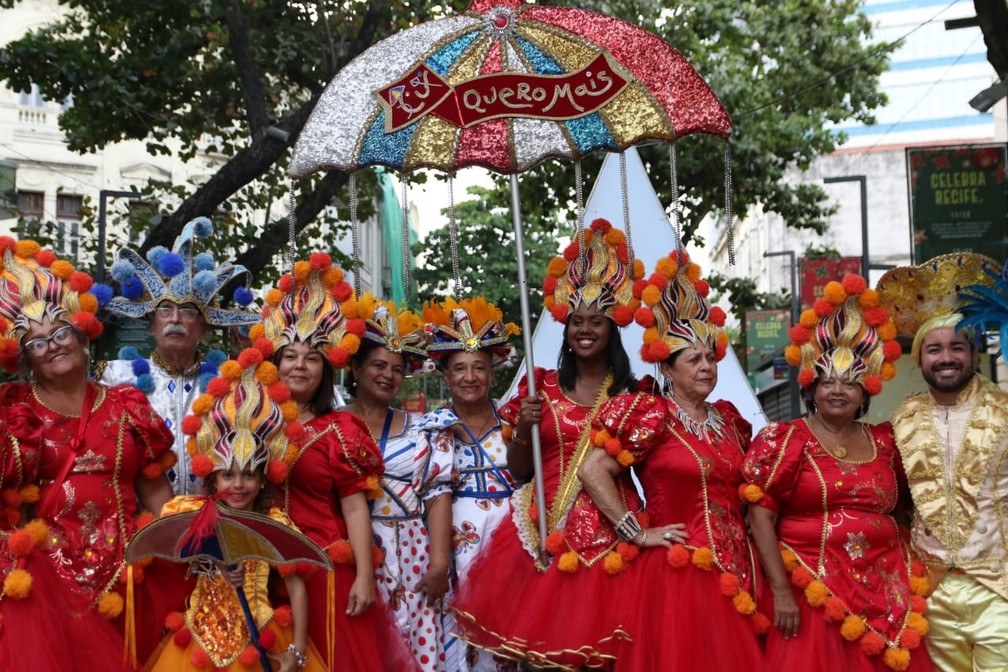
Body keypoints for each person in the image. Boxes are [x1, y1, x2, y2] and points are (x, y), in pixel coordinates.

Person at [452, 218, 645, 670]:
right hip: (540, 534)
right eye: (576, 321)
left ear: (612, 328)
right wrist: (523, 426)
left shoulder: (633, 395)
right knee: (543, 658)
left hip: (611, 536)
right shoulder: (541, 388)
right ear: (566, 328)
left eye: (596, 322)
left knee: (608, 656)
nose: (585, 329)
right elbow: (520, 470)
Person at [579, 248, 769, 671]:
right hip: (680, 575)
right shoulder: (651, 415)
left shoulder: (730, 422)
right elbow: (592, 470)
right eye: (693, 359)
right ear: (666, 369)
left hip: (740, 571)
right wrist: (636, 532)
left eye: (710, 358)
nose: (706, 367)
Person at [0, 237, 175, 670]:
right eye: (37, 343)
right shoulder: (15, 413)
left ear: (82, 335)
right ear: (26, 358)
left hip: (128, 576)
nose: (53, 345)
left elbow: (156, 491)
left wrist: (184, 548)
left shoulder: (127, 406)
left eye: (60, 333)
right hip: (46, 584)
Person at [743, 274, 932, 672]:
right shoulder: (786, 440)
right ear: (811, 389)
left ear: (865, 394)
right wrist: (781, 591)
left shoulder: (887, 441)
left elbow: (906, 507)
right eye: (827, 381)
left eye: (850, 383)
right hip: (812, 593)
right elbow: (760, 517)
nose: (837, 390)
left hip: (888, 590)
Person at [250, 252, 417, 672]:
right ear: (274, 363)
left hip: (323, 570)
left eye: (311, 358)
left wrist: (364, 575)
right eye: (290, 356)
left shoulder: (340, 430)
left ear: (326, 369)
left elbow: (355, 507)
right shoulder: (252, 423)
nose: (299, 366)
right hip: (260, 573)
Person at [145, 343, 325, 672]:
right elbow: (178, 547)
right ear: (213, 479)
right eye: (228, 475)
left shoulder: (272, 522)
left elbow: (297, 589)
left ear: (263, 480)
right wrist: (215, 562)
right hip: (198, 642)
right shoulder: (195, 515)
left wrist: (297, 652)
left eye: (249, 475)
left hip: (260, 638)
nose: (238, 484)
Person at [879, 253, 1008, 672]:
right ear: (919, 360)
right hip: (930, 592)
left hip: (999, 589)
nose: (946, 357)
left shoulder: (1005, 409)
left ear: (974, 354)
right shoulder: (902, 419)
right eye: (934, 349)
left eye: (957, 347)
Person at [98, 216, 259, 495]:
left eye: (187, 311)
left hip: (212, 513)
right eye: (165, 310)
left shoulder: (230, 383)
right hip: (142, 516)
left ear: (203, 328)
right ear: (151, 326)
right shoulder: (114, 378)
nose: (175, 319)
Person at [341, 292, 455, 672]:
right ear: (355, 368)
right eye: (378, 365)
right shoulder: (331, 425)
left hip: (411, 552)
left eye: (396, 368)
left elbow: (438, 496)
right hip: (349, 552)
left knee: (415, 647)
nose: (387, 375)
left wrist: (438, 564)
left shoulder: (424, 429)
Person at [424, 295, 520, 671]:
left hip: (510, 545)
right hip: (453, 549)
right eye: (459, 369)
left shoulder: (514, 421)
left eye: (479, 367)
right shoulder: (431, 429)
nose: (469, 377)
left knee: (509, 640)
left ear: (493, 373)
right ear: (445, 376)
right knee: (459, 640)